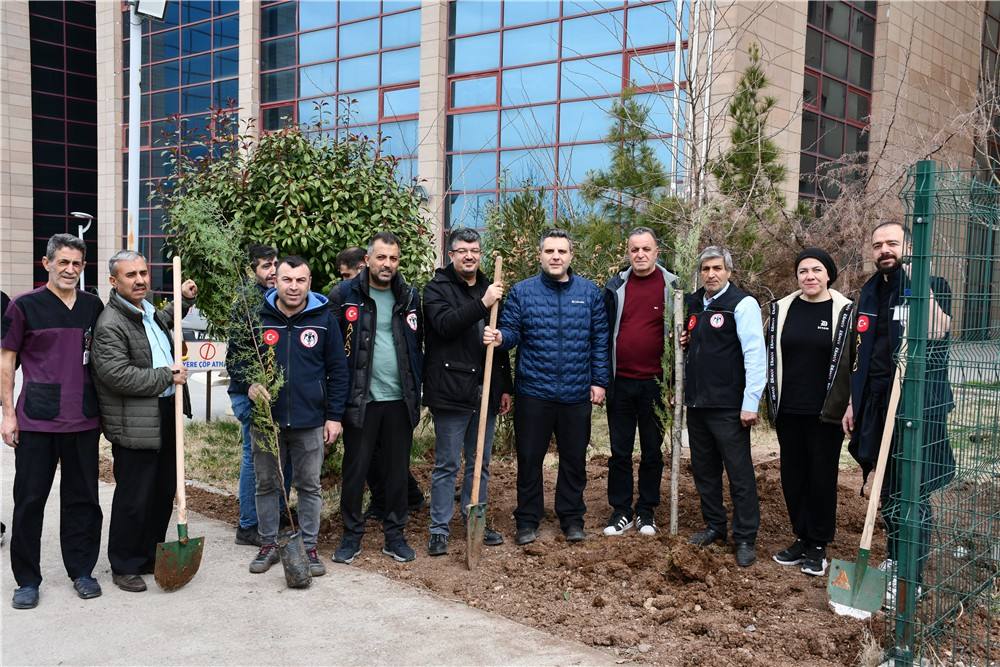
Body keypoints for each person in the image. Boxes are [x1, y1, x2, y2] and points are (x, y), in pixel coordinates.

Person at [842, 221, 954, 598]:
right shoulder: (870, 292)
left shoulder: (932, 285)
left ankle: (911, 577)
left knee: (913, 492)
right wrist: (852, 402)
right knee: (887, 491)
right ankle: (894, 557)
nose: (884, 250)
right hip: (875, 405)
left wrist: (917, 276)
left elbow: (939, 329)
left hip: (916, 408)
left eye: (892, 243)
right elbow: (862, 353)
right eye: (877, 245)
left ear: (909, 246)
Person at [483, 229, 609, 545]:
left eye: (561, 251)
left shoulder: (589, 293)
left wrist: (599, 381)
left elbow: (600, 340)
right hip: (534, 392)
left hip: (575, 392)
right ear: (540, 256)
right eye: (550, 251)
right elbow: (511, 331)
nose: (555, 256)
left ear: (570, 256)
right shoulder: (523, 293)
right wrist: (500, 338)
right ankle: (527, 520)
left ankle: (572, 518)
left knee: (573, 459)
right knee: (529, 458)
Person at [1, 234, 104, 609]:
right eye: (63, 262)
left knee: (83, 500)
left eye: (76, 264)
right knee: (29, 501)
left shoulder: (93, 305)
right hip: (37, 421)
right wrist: (8, 413)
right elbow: (6, 360)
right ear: (46, 264)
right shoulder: (23, 306)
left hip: (83, 419)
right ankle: (27, 580)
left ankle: (82, 571)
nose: (70, 270)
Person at [229, 256, 348, 578]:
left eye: (300, 280)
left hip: (311, 420)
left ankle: (308, 547)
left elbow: (338, 370)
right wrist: (249, 384)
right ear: (275, 281)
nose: (293, 287)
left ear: (309, 283)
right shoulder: (256, 317)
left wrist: (334, 417)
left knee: (309, 486)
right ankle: (268, 544)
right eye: (287, 280)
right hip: (267, 421)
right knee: (266, 485)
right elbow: (235, 362)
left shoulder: (324, 319)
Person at [90, 250, 196, 593]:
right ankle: (123, 564)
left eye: (143, 273)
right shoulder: (110, 323)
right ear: (113, 281)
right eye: (130, 275)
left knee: (163, 490)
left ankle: (150, 554)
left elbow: (165, 322)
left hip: (164, 413)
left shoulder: (146, 312)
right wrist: (168, 375)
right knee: (134, 496)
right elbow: (117, 376)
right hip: (134, 421)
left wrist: (183, 300)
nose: (139, 280)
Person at [329, 232, 424, 564]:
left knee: (397, 472)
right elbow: (332, 351)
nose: (388, 264)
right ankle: (351, 536)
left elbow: (415, 346)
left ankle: (394, 536)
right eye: (381, 258)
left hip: (399, 401)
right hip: (361, 401)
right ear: (367, 260)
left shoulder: (409, 296)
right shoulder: (344, 295)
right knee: (356, 471)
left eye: (394, 259)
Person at [423, 227, 513, 556]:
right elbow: (446, 324)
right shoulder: (437, 289)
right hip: (450, 390)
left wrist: (504, 387)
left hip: (485, 389)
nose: (470, 255)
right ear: (451, 255)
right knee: (447, 463)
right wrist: (483, 302)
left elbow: (496, 344)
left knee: (481, 463)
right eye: (462, 250)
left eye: (475, 249)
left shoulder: (492, 287)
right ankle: (438, 529)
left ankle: (476, 518)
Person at [765, 248, 852, 577]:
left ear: (828, 274)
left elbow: (851, 362)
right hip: (789, 409)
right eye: (803, 271)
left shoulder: (843, 311)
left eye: (816, 270)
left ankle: (818, 544)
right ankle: (801, 536)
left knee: (821, 477)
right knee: (793, 475)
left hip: (825, 413)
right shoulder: (783, 310)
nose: (809, 276)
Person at [681, 246, 765, 567]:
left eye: (717, 268)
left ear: (729, 271)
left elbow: (754, 354)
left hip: (730, 406)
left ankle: (744, 536)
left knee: (739, 473)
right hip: (698, 404)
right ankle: (715, 525)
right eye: (706, 269)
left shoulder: (741, 304)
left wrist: (750, 402)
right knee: (705, 471)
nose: (711, 274)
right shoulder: (693, 303)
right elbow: (690, 344)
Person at [602, 227, 678, 537]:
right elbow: (603, 333)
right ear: (628, 252)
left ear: (657, 252)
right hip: (620, 383)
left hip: (656, 385)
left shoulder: (673, 286)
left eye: (646, 249)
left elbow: (681, 339)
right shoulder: (615, 287)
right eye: (635, 249)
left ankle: (646, 511)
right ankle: (621, 511)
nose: (640, 255)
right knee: (619, 450)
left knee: (651, 451)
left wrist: (673, 385)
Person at [226, 244, 283, 547]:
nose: (272, 270)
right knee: (254, 457)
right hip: (250, 395)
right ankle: (249, 524)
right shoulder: (247, 304)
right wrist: (249, 385)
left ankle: (272, 515)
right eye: (265, 266)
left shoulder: (279, 298)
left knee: (275, 457)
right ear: (253, 270)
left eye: (275, 263)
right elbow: (235, 356)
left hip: (276, 394)